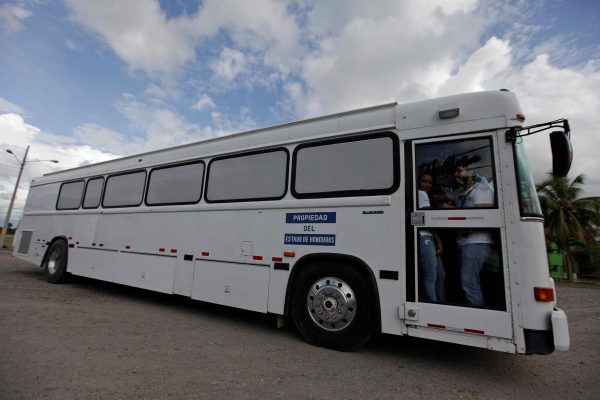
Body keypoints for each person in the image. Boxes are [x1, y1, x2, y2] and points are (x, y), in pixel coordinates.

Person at [449, 166, 494, 307]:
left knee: (469, 282)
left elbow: (484, 215)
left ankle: (479, 316)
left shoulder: (481, 190)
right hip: (465, 243)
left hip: (477, 242)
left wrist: (464, 226)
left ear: (471, 172)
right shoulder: (461, 192)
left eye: (459, 170)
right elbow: (439, 196)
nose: (456, 174)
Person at [417, 173, 446, 303]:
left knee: (441, 275)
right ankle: (435, 307)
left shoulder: (425, 195)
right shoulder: (421, 194)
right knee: (430, 277)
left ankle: (442, 303)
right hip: (424, 238)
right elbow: (428, 217)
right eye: (424, 181)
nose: (427, 185)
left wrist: (438, 242)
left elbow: (430, 225)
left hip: (430, 238)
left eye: (430, 183)